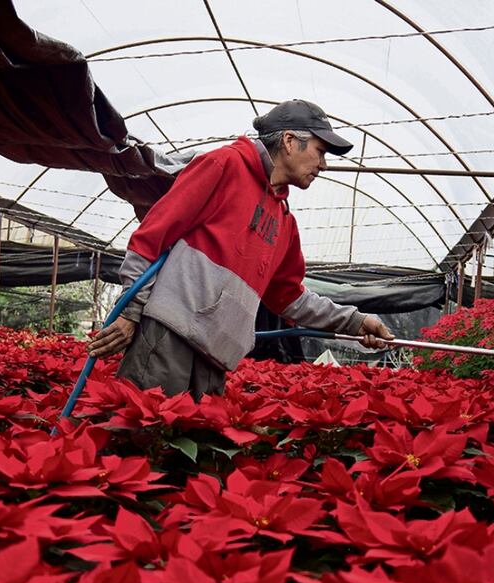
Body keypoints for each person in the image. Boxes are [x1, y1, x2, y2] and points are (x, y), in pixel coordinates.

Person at [86, 99, 394, 400]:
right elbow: (150, 238)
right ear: (289, 141)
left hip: (215, 358)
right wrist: (131, 311)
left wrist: (355, 321)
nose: (323, 165)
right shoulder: (224, 165)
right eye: (320, 151)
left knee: (186, 435)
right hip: (168, 338)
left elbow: (290, 299)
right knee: (145, 428)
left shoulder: (284, 222)